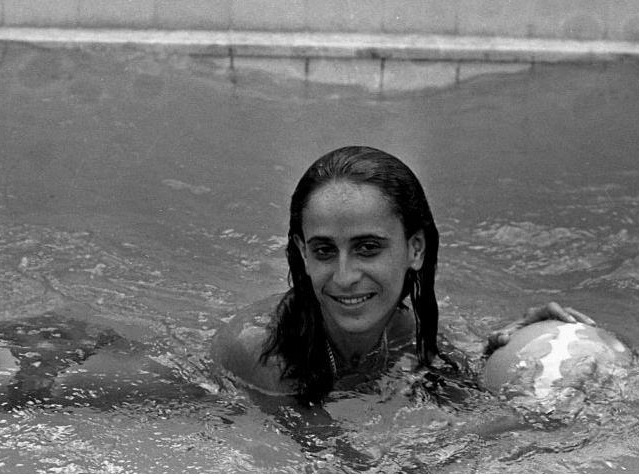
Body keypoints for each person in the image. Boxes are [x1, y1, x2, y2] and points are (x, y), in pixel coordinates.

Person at [212, 146, 594, 405]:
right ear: (302, 252)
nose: (344, 277)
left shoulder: (406, 329)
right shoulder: (263, 350)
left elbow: (457, 375)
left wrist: (509, 348)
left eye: (367, 248)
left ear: (415, 249)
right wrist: (522, 421)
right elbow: (355, 473)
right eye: (325, 250)